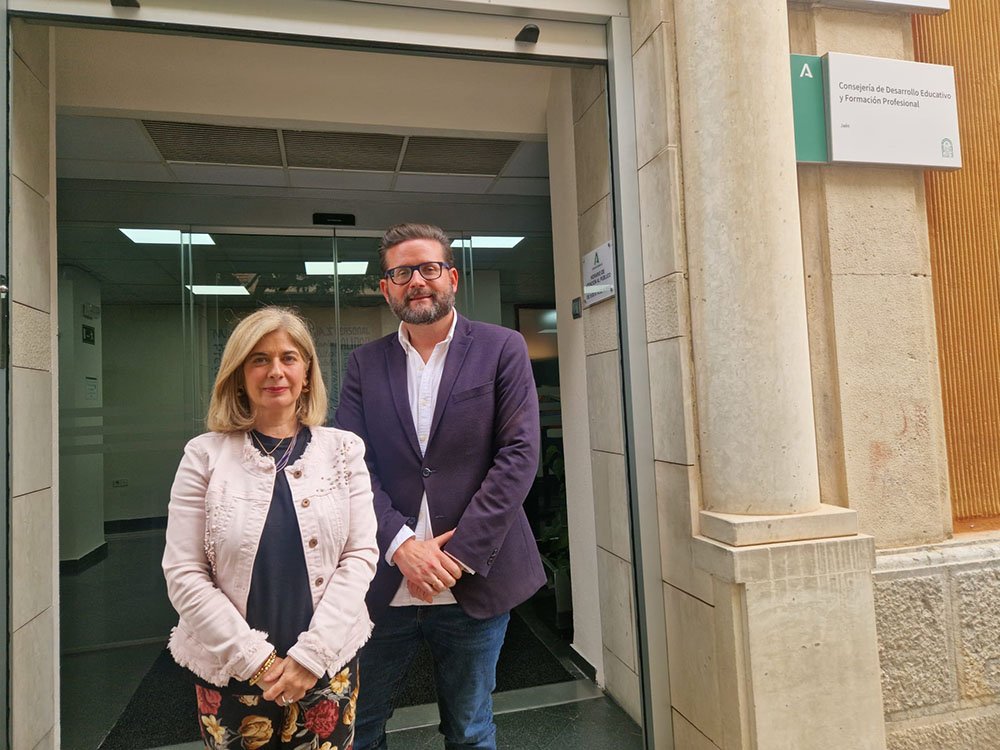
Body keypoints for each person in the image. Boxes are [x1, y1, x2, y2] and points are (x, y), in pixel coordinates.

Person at [335, 223, 545, 750]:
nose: (416, 281)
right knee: (358, 728)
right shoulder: (364, 364)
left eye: (428, 268)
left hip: (473, 577)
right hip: (384, 580)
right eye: (401, 273)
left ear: (451, 278)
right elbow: (352, 464)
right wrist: (402, 546)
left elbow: (519, 455)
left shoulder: (502, 348)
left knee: (470, 730)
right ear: (385, 288)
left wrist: (456, 556)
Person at [163, 306, 378, 750]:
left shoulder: (343, 451)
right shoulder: (204, 456)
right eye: (259, 359)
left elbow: (360, 557)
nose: (275, 371)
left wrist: (310, 657)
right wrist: (257, 662)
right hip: (230, 673)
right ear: (239, 375)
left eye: (288, 358)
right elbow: (184, 573)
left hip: (326, 669)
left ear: (307, 373)